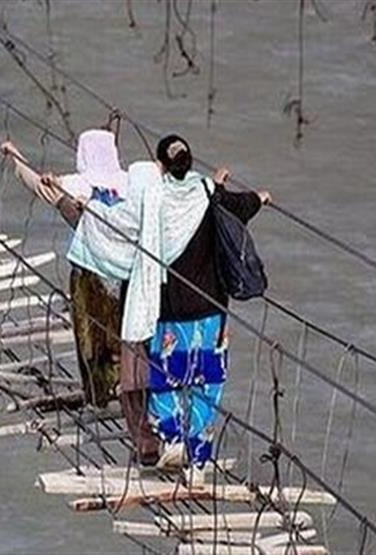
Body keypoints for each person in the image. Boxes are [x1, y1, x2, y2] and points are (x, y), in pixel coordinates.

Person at [122, 134, 270, 468]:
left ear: (160, 166)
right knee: (207, 380)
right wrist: (260, 199)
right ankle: (199, 455)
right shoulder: (207, 192)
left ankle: (173, 441)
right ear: (190, 162)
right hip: (211, 309)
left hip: (170, 309)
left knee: (166, 377)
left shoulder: (153, 197)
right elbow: (239, 206)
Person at [0, 129, 134, 412]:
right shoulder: (131, 183)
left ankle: (100, 394)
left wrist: (16, 158)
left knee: (91, 335)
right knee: (124, 333)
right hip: (127, 275)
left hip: (90, 274)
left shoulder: (73, 185)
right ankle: (130, 390)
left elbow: (36, 183)